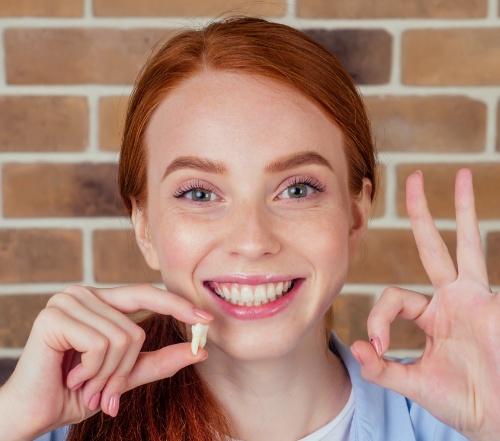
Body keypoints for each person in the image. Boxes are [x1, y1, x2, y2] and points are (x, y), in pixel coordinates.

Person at [0, 16, 498, 441]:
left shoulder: (464, 422)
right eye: (199, 194)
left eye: (298, 189)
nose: (253, 240)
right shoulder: (44, 428)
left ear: (357, 212)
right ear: (144, 226)